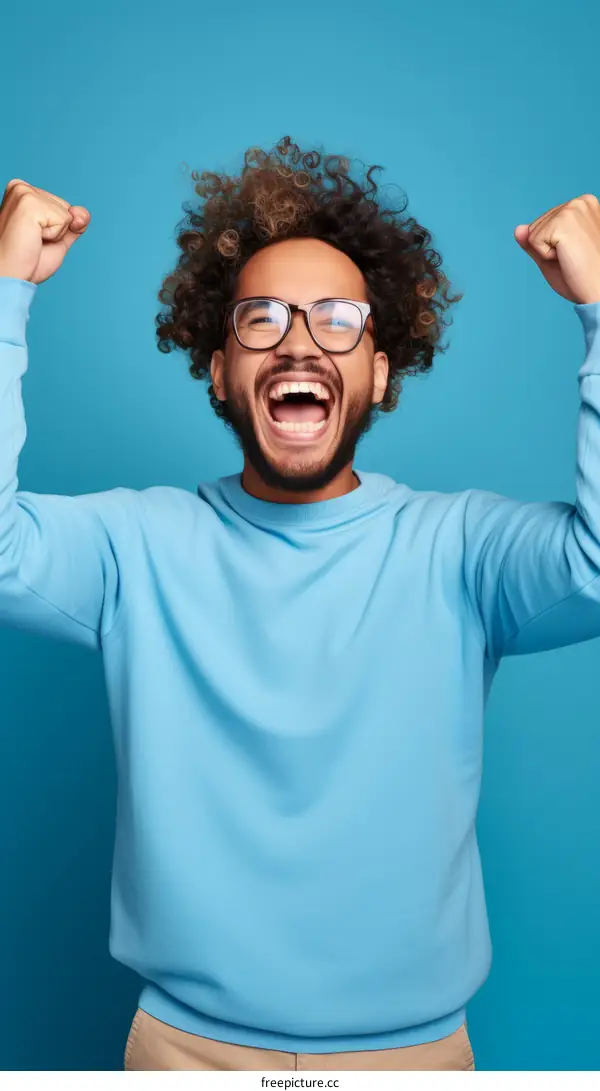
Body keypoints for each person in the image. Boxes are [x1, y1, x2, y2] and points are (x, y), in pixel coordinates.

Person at [0, 137, 599, 1073]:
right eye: (262, 318)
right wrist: (5, 296)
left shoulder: (459, 549)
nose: (300, 341)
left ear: (381, 372)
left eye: (337, 319)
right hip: (185, 1055)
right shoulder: (136, 546)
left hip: (414, 1060)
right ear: (218, 370)